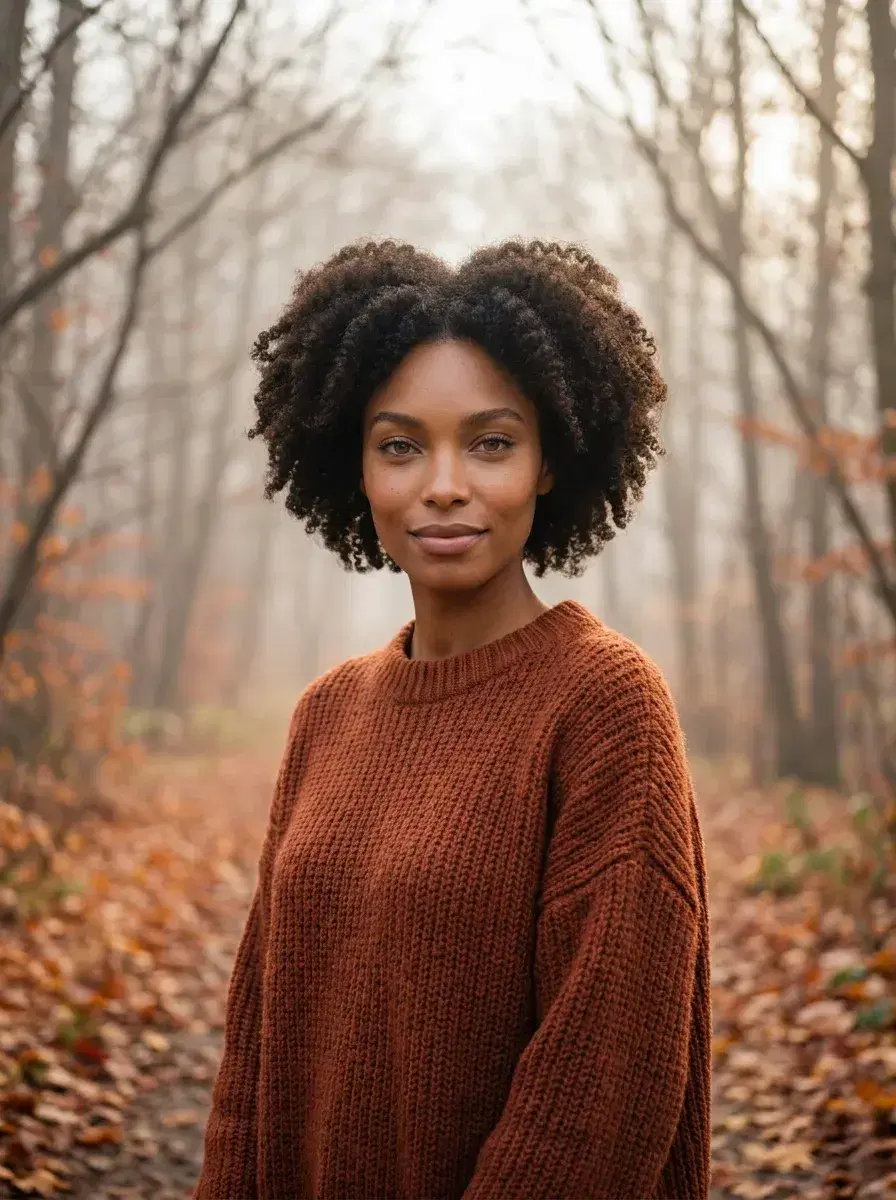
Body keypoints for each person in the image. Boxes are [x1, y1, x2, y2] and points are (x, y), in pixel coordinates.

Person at [194, 238, 712, 1200]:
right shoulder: (328, 713)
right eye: (400, 445)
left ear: (551, 461)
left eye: (490, 442)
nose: (442, 483)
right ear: (354, 467)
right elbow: (256, 1053)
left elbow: (603, 1085)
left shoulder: (604, 702)